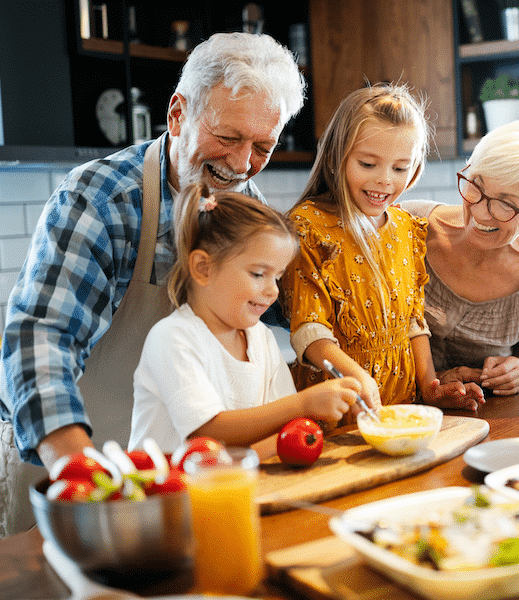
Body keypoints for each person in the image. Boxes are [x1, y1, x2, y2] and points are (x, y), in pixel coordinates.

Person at [0, 32, 305, 536]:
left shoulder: (251, 214)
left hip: (183, 482)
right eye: (228, 137)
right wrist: (84, 479)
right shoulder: (101, 200)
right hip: (70, 466)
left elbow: (293, 311)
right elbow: (41, 340)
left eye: (262, 147)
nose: (240, 164)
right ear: (177, 113)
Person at [280, 83, 483, 427]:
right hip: (338, 414)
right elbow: (309, 332)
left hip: (402, 410)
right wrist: (360, 379)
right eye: (368, 163)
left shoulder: (407, 227)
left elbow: (412, 322)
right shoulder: (308, 225)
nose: (384, 181)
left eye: (400, 168)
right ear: (336, 155)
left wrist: (430, 386)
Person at [130, 183, 363, 457]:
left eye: (277, 277)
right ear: (203, 268)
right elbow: (205, 433)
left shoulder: (260, 338)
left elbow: (280, 430)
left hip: (233, 485)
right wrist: (304, 404)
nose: (273, 290)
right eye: (258, 274)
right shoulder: (172, 337)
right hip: (168, 494)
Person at [400, 119, 519, 396]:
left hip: (489, 423)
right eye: (476, 185)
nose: (481, 213)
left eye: (506, 204)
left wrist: (518, 368)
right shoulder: (407, 226)